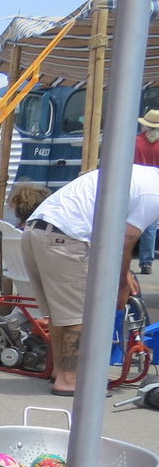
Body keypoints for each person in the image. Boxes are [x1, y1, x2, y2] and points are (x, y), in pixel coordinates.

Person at [19, 164, 159, 396]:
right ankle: (70, 378)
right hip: (65, 237)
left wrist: (122, 273)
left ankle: (62, 370)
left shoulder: (138, 176)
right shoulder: (153, 195)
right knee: (82, 314)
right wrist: (121, 285)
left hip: (37, 230)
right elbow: (126, 239)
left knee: (61, 313)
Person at [133, 109, 159, 274]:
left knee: (127, 224)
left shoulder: (135, 142)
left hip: (135, 184)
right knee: (150, 227)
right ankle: (146, 263)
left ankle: (119, 258)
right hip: (154, 187)